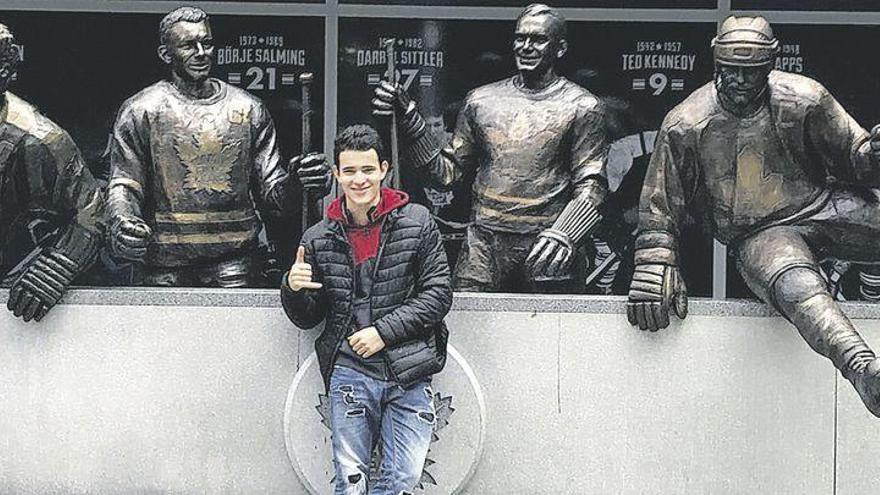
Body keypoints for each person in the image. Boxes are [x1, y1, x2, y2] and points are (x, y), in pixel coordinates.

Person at [627, 15, 880, 417]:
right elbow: (660, 203)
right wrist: (655, 262)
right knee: (799, 288)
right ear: (716, 65)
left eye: (751, 71)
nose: (740, 80)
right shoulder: (686, 123)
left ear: (771, 65)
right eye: (731, 71)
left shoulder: (805, 98)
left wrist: (873, 156)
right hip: (760, 234)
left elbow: (855, 159)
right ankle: (864, 369)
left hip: (823, 205)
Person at [372, 3, 610, 293]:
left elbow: (592, 184)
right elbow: (447, 174)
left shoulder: (583, 107)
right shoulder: (481, 102)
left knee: (548, 337)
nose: (526, 46)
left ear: (559, 49)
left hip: (547, 245)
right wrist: (410, 119)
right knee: (468, 331)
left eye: (538, 39)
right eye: (520, 38)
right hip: (483, 245)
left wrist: (566, 233)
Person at [281, 124, 451, 494]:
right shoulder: (318, 237)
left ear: (384, 169)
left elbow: (438, 295)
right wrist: (292, 288)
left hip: (408, 370)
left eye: (368, 170)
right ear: (337, 174)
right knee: (351, 479)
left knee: (402, 480)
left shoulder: (418, 222)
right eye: (350, 171)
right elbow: (308, 316)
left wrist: (382, 333)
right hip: (350, 374)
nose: (360, 180)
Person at [106, 6, 329, 287]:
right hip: (162, 265)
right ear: (166, 54)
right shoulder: (141, 110)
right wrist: (123, 222)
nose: (201, 52)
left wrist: (300, 182)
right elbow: (125, 184)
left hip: (236, 264)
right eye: (189, 45)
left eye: (207, 43)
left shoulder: (248, 109)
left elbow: (274, 198)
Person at [0, 24, 103, 322]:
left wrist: (58, 265)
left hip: (13, 306)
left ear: (8, 73)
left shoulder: (41, 139)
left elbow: (91, 211)